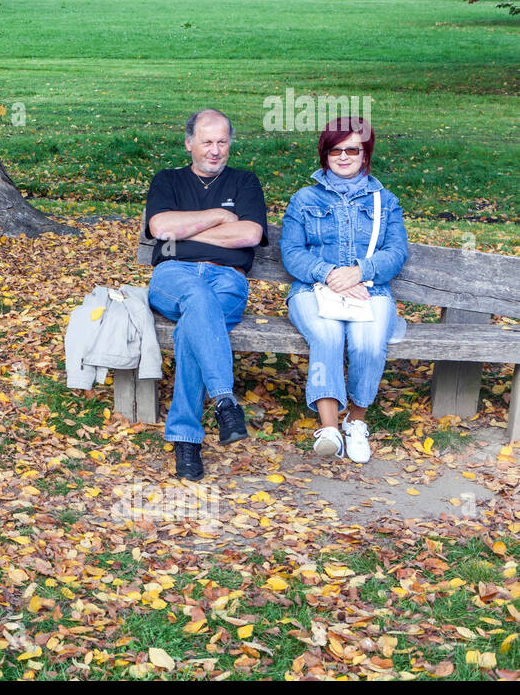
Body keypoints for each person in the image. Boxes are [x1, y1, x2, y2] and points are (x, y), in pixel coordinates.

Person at [143, 109, 270, 480]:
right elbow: (161, 226)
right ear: (189, 144)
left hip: (228, 280)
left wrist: (186, 232)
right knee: (197, 298)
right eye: (207, 142)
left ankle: (186, 442)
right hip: (173, 275)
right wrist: (219, 216)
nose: (215, 151)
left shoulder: (245, 182)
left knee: (190, 328)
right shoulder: (167, 180)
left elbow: (249, 235)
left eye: (222, 142)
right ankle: (225, 400)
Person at [279, 117, 408, 463]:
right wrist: (329, 274)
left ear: (365, 154)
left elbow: (396, 252)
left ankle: (356, 422)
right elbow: (291, 252)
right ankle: (329, 428)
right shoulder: (304, 199)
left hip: (370, 291)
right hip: (312, 289)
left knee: (367, 343)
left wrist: (358, 273)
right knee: (328, 336)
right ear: (325, 154)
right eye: (336, 149)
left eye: (353, 149)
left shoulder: (385, 201)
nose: (344, 156)